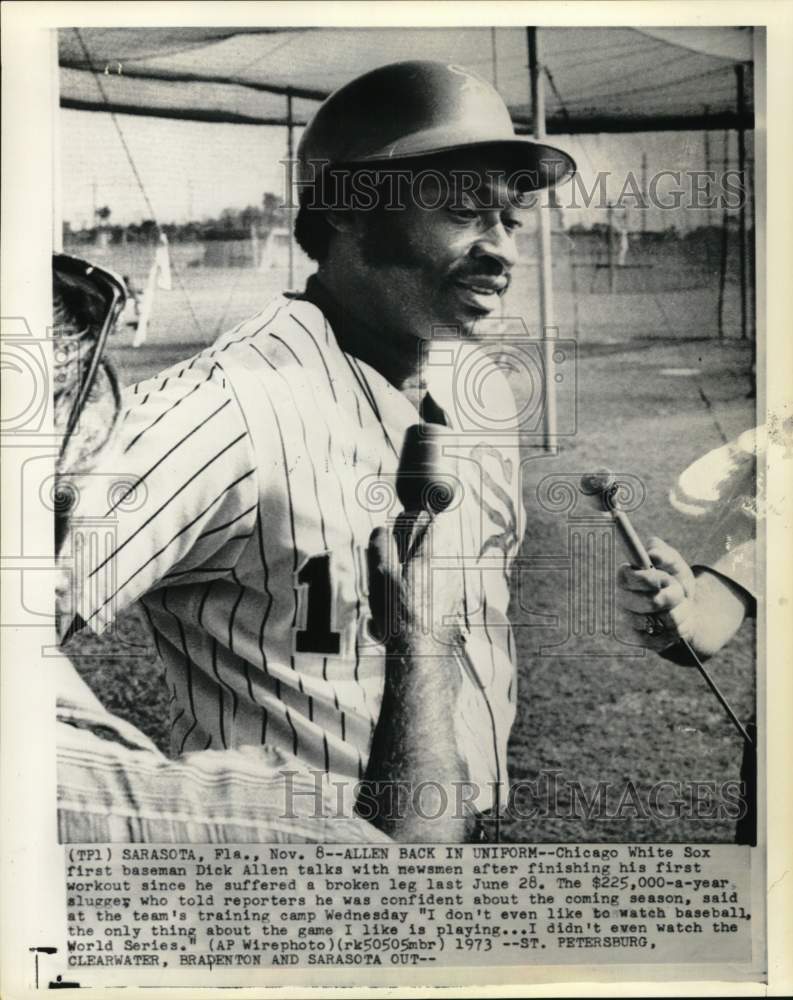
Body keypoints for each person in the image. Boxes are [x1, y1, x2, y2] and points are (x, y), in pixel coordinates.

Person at [57, 61, 576, 842]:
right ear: (349, 210)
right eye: (466, 210)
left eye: (511, 218)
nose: (500, 248)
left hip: (467, 848)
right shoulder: (224, 406)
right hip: (304, 875)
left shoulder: (480, 388)